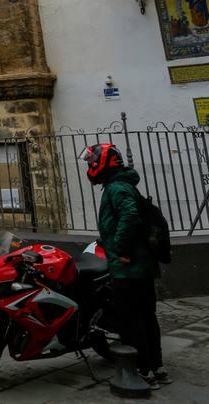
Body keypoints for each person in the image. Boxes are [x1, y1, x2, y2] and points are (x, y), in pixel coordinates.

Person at [83, 142, 169, 389]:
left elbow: (129, 216)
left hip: (128, 267)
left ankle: (140, 370)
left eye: (92, 162)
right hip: (141, 265)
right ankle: (156, 366)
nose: (90, 167)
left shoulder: (117, 188)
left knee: (130, 320)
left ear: (103, 163)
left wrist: (119, 247)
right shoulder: (125, 185)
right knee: (146, 316)